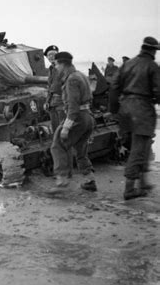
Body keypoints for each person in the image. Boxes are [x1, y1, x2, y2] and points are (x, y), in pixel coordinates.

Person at [109, 36, 160, 200]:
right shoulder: (152, 66)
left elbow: (114, 87)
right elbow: (159, 91)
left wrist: (114, 110)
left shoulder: (127, 64)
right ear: (153, 51)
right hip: (142, 110)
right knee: (140, 148)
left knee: (138, 146)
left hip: (125, 109)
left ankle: (143, 182)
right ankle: (130, 189)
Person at [48, 51, 97, 194]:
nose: (56, 67)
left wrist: (66, 127)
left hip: (78, 117)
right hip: (88, 117)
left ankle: (62, 181)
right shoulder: (80, 75)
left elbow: (73, 107)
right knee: (81, 150)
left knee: (57, 145)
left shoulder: (71, 80)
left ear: (62, 64)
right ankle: (89, 179)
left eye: (56, 64)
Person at [44, 45, 66, 132]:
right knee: (56, 128)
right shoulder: (51, 69)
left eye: (53, 54)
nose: (51, 57)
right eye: (49, 55)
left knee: (64, 128)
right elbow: (50, 88)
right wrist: (47, 102)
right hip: (53, 103)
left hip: (62, 101)